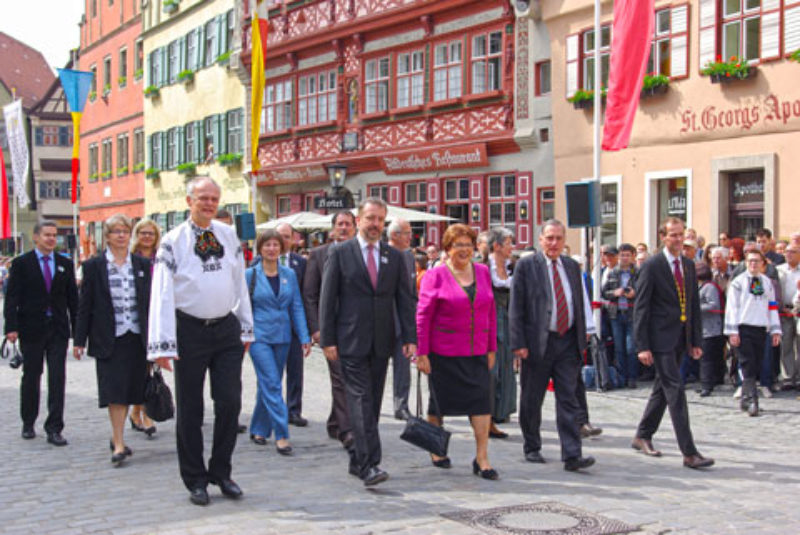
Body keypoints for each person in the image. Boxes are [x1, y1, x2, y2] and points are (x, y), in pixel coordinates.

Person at [148, 177, 254, 506]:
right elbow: (162, 292)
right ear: (189, 200)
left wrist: (246, 326)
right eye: (203, 198)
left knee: (230, 403)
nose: (209, 203)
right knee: (191, 409)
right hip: (189, 330)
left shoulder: (227, 234)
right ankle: (195, 478)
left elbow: (239, 281)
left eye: (214, 198)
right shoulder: (172, 240)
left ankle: (221, 471)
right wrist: (162, 344)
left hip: (225, 329)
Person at [319, 197, 416, 486]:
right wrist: (327, 338)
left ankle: (356, 459)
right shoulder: (341, 253)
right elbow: (327, 298)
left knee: (371, 403)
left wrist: (410, 336)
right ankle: (370, 464)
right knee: (360, 400)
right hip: (349, 340)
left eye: (380, 220)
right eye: (370, 218)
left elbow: (404, 299)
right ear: (359, 220)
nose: (375, 225)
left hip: (381, 341)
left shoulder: (394, 256)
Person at [509, 219, 596, 472]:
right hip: (537, 343)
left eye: (558, 238)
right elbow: (517, 307)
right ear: (541, 240)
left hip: (567, 342)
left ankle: (571, 454)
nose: (554, 243)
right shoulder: (527, 266)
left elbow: (578, 300)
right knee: (531, 398)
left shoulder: (571, 266)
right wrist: (519, 343)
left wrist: (585, 332)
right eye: (549, 238)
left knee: (568, 399)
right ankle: (532, 446)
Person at [416, 224, 498, 480]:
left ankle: (482, 457)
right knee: (439, 404)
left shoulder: (483, 272)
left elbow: (491, 312)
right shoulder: (435, 275)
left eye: (468, 245)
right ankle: (436, 449)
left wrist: (492, 346)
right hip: (444, 352)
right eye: (457, 245)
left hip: (476, 351)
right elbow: (423, 316)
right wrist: (422, 352)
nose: (464, 250)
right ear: (447, 249)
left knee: (481, 403)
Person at [632, 217, 714, 469]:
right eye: (673, 235)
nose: (678, 240)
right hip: (659, 338)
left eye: (681, 235)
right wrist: (642, 345)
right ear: (663, 237)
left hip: (681, 337)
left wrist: (695, 339)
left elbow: (692, 306)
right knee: (675, 390)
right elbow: (641, 307)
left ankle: (642, 435)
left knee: (662, 389)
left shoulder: (689, 265)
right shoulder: (653, 265)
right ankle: (689, 452)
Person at [73, 214, 152, 465]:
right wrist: (79, 340)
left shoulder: (140, 265)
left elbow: (150, 303)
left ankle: (119, 433)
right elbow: (85, 306)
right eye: (116, 231)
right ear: (106, 236)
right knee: (114, 391)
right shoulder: (94, 266)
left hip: (137, 336)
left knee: (131, 389)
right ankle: (118, 442)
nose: (121, 235)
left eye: (125, 231)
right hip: (109, 337)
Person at [4, 221, 79, 446]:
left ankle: (54, 427)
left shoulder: (65, 263)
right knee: (31, 376)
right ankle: (28, 422)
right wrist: (11, 327)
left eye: (54, 236)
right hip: (31, 328)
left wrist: (78, 334)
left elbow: (73, 301)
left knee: (57, 378)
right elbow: (12, 298)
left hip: (57, 329)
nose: (51, 239)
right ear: (36, 237)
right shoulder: (21, 264)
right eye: (46, 235)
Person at [246, 229, 311, 454]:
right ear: (260, 248)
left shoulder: (288, 275)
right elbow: (243, 308)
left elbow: (296, 306)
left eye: (275, 245)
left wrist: (304, 336)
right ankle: (281, 433)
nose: (272, 249)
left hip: (283, 336)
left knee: (267, 383)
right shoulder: (250, 275)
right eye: (267, 245)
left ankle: (258, 428)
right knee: (273, 383)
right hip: (259, 337)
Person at [303, 210, 357, 450]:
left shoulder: (361, 253)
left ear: (355, 227)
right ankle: (347, 430)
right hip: (330, 329)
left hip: (357, 328)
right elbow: (310, 295)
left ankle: (336, 422)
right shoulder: (318, 254)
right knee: (340, 378)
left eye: (348, 224)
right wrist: (316, 329)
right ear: (333, 229)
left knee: (352, 377)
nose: (344, 228)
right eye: (340, 224)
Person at [724, 249, 781, 416]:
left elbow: (771, 306)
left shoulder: (767, 283)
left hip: (761, 328)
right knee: (747, 364)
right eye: (750, 261)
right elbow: (732, 307)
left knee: (756, 364)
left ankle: (746, 398)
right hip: (743, 327)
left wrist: (775, 329)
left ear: (763, 264)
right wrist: (732, 331)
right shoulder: (738, 282)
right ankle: (752, 400)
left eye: (757, 261)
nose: (753, 264)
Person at [128, 218, 162, 436]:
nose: (147, 237)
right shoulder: (131, 259)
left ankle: (141, 411)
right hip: (136, 318)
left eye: (151, 233)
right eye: (143, 233)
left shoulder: (161, 258)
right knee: (139, 368)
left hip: (157, 316)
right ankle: (139, 411)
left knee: (150, 366)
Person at [275, 223, 309, 428]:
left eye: (287, 237)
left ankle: (294, 410)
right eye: (280, 236)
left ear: (293, 240)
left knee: (296, 371)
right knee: (272, 372)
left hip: (294, 326)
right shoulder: (259, 263)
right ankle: (274, 409)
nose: (283, 241)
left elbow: (306, 295)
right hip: (271, 326)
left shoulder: (301, 263)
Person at [486, 228, 516, 436]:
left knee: (507, 365)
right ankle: (485, 414)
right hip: (489, 318)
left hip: (507, 317)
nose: (511, 247)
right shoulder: (481, 265)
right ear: (496, 246)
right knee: (491, 368)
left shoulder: (512, 267)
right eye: (508, 243)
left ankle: (502, 411)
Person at [387, 218, 416, 421]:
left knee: (403, 367)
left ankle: (401, 405)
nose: (410, 237)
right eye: (406, 233)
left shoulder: (408, 256)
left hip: (403, 321)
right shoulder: (381, 253)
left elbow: (411, 292)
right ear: (394, 235)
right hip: (382, 320)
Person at [602, 243, 639, 388]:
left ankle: (632, 377)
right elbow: (604, 292)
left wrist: (635, 293)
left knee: (631, 347)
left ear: (633, 256)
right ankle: (622, 376)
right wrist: (615, 293)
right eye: (622, 255)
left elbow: (644, 290)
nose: (624, 258)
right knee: (619, 347)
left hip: (632, 314)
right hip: (615, 314)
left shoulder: (638, 272)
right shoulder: (612, 272)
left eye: (627, 255)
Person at [696, 263, 726, 397]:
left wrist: (695, 307)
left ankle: (707, 384)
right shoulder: (702, 286)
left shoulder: (709, 287)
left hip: (711, 327)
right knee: (711, 357)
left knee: (706, 358)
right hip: (706, 327)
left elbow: (713, 305)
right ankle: (712, 381)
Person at [778, 244, 800, 389]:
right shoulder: (779, 270)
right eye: (787, 252)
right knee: (785, 345)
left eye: (793, 252)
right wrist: (780, 308)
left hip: (799, 312)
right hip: (784, 310)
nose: (789, 254)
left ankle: (798, 377)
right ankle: (787, 377)